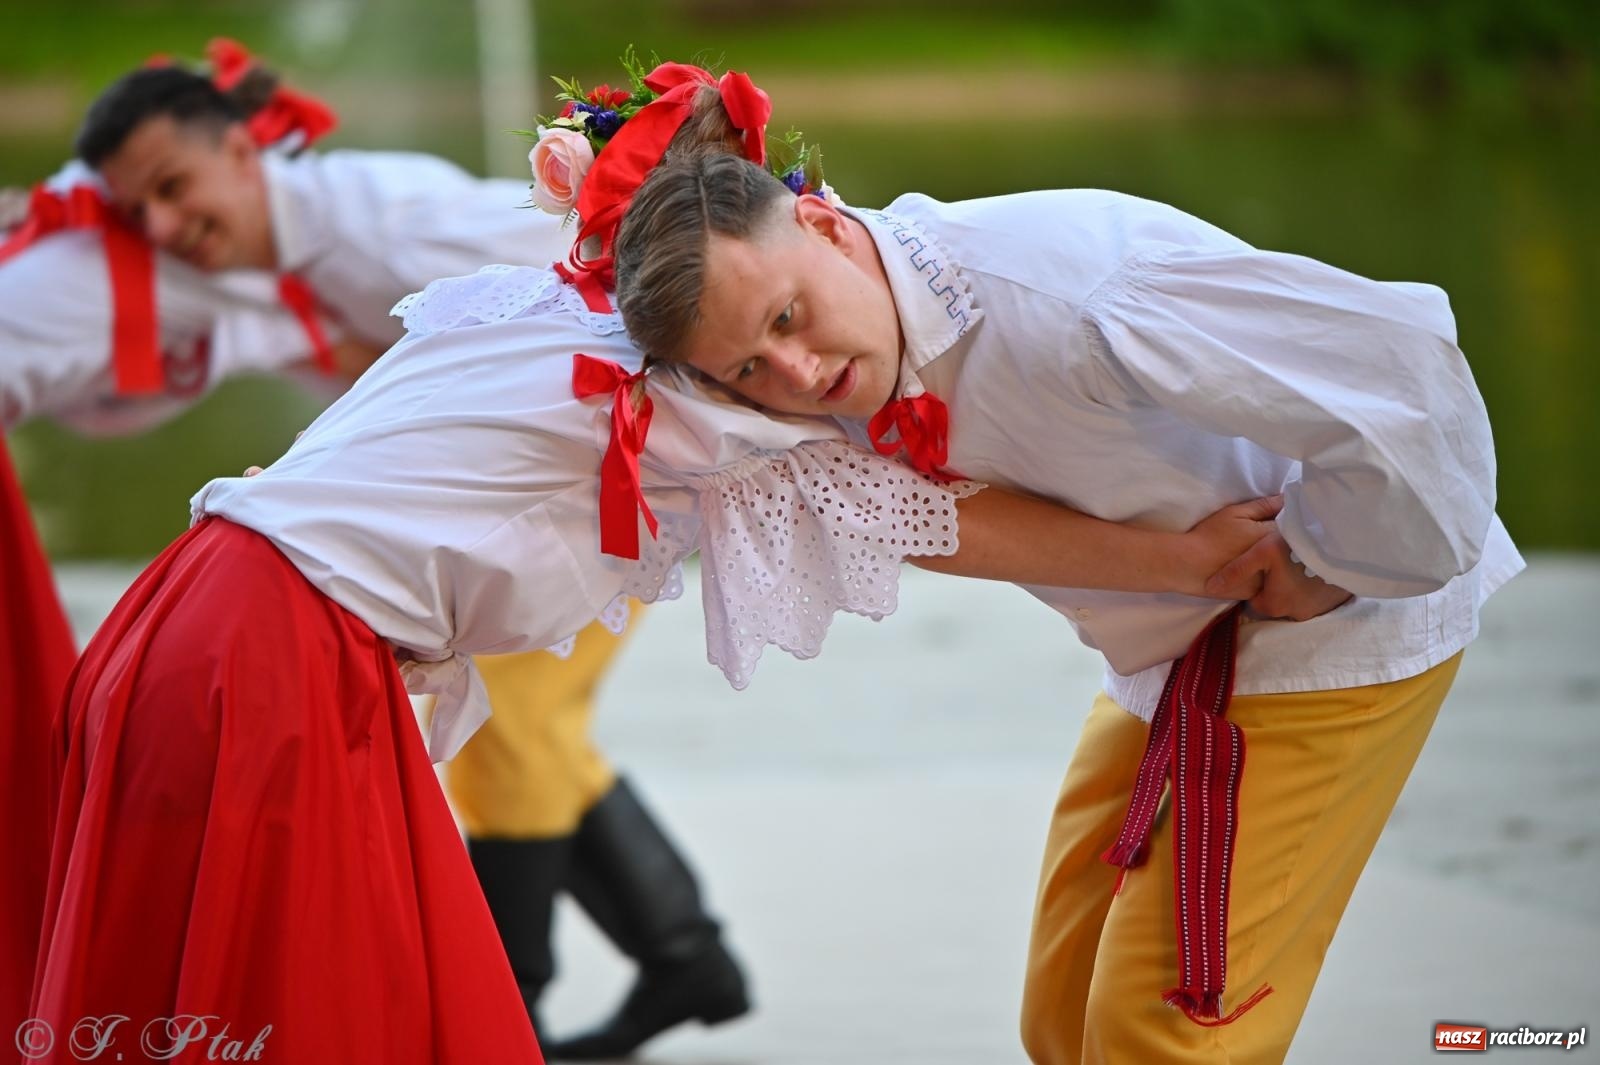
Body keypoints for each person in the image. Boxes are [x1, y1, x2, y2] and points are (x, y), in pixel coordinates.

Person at [23, 58, 1294, 1065]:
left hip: (186, 611)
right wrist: (1184, 564)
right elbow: (941, 521)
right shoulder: (691, 387)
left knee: (268, 985)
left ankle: (656, 950)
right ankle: (659, 949)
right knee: (322, 1008)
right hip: (269, 650)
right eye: (761, 330)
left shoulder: (542, 297)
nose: (781, 363)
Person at [608, 147, 1524, 1064]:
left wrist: (1329, 554)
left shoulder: (1074, 291)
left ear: (822, 223)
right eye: (748, 370)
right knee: (1062, 1010)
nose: (797, 375)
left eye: (788, 318)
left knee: (1162, 1032)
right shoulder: (812, 366)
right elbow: (930, 518)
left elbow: (1401, 376)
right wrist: (1179, 562)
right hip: (1176, 634)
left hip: (1333, 624)